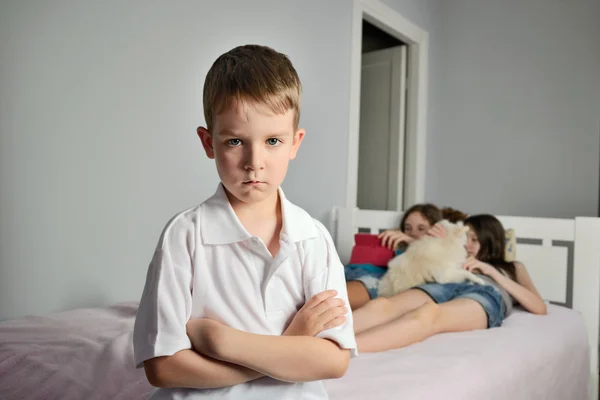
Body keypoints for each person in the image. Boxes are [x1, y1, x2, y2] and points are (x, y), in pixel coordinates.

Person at [133, 44, 356, 400]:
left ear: (294, 143)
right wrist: (290, 344)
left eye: (272, 141)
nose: (255, 162)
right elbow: (162, 367)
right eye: (235, 141)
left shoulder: (312, 238)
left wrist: (223, 341)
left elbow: (332, 360)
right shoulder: (185, 235)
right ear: (209, 143)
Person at [352, 214, 547, 353]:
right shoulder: (455, 256)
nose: (467, 245)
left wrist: (492, 272)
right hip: (446, 283)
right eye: (465, 238)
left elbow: (539, 307)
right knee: (382, 305)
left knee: (428, 314)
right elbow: (421, 261)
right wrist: (428, 241)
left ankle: (343, 352)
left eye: (475, 240)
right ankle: (325, 338)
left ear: (490, 241)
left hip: (485, 293)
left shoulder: (513, 267)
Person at [345, 203, 442, 310]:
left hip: (378, 277)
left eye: (421, 229)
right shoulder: (397, 240)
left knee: (337, 297)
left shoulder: (435, 253)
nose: (412, 233)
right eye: (408, 228)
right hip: (352, 269)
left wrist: (413, 243)